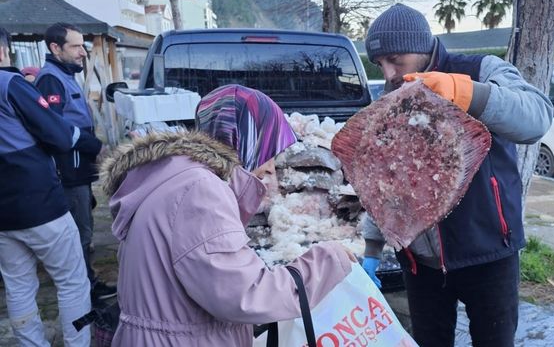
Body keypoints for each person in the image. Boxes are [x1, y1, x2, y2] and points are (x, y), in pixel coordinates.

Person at [100, 84, 355, 346]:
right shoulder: (199, 190)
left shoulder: (173, 176)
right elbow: (246, 295)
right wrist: (327, 260)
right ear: (243, 140)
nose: (269, 168)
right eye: (268, 151)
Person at [361, 4, 553, 346]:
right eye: (379, 63)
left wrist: (465, 93)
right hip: (421, 262)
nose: (388, 72)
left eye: (395, 59)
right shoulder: (391, 97)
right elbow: (382, 180)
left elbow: (537, 117)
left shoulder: (481, 69)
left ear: (420, 48)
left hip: (488, 251)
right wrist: (372, 247)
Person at [0, 27, 92, 346]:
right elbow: (60, 135)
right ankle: (79, 343)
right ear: (3, 51)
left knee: (19, 286)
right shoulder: (10, 83)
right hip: (39, 203)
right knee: (72, 282)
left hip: (3, 214)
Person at [34, 22, 116, 302]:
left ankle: (85, 282)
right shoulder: (50, 79)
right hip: (67, 171)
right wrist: (94, 146)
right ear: (55, 48)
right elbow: (54, 129)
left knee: (85, 225)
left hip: (79, 168)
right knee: (80, 233)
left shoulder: (65, 74)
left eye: (83, 45)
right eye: (76, 46)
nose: (83, 52)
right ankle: (84, 290)